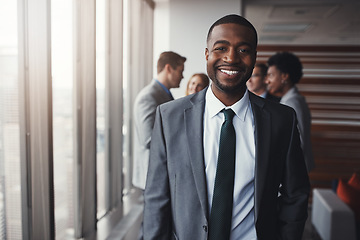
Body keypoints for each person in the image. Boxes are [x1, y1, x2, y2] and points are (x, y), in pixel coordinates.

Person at [143, 14, 310, 240]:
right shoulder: (170, 116)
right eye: (221, 48)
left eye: (243, 50)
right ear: (207, 54)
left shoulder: (282, 119)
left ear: (254, 57)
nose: (231, 58)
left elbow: (295, 193)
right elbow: (156, 197)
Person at [132, 51, 186, 190]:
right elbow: (148, 139)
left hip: (163, 175)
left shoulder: (164, 95)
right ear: (168, 68)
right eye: (180, 71)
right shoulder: (148, 97)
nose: (182, 76)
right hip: (153, 179)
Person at [266, 51, 315, 172]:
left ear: (284, 76)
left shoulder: (292, 103)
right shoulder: (292, 100)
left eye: (271, 75)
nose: (267, 81)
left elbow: (298, 143)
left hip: (294, 172)